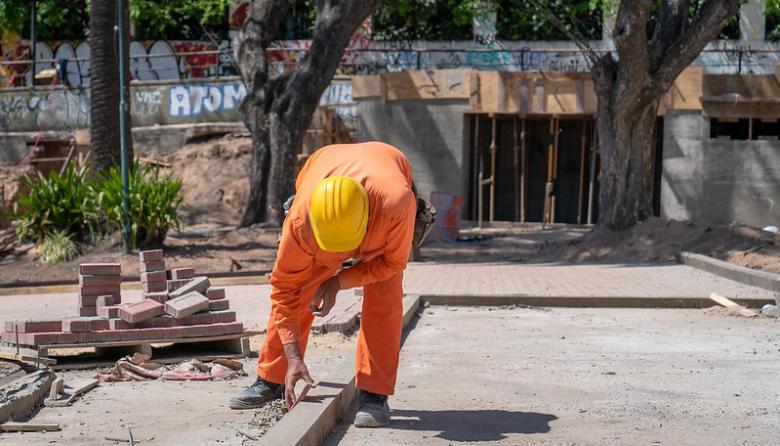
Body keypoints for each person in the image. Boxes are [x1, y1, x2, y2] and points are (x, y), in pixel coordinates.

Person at [230, 141, 428, 428]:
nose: (343, 258)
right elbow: (283, 291)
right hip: (322, 168)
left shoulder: (396, 203)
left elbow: (393, 263)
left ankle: (374, 394)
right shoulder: (300, 222)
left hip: (386, 171)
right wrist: (294, 355)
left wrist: (339, 281)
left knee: (384, 296)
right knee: (300, 292)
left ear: (367, 221)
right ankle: (271, 378)